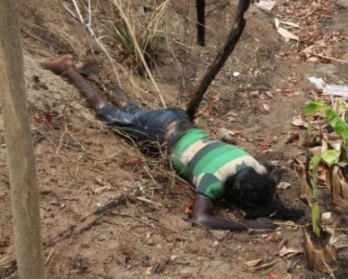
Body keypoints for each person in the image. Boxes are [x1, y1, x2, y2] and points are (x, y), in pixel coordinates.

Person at [43, 54, 303, 231]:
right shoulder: (212, 181)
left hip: (178, 119)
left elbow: (271, 175)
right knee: (106, 112)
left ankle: (96, 76)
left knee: (132, 110)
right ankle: (67, 69)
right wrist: (247, 225)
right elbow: (201, 218)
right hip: (161, 132)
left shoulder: (254, 165)